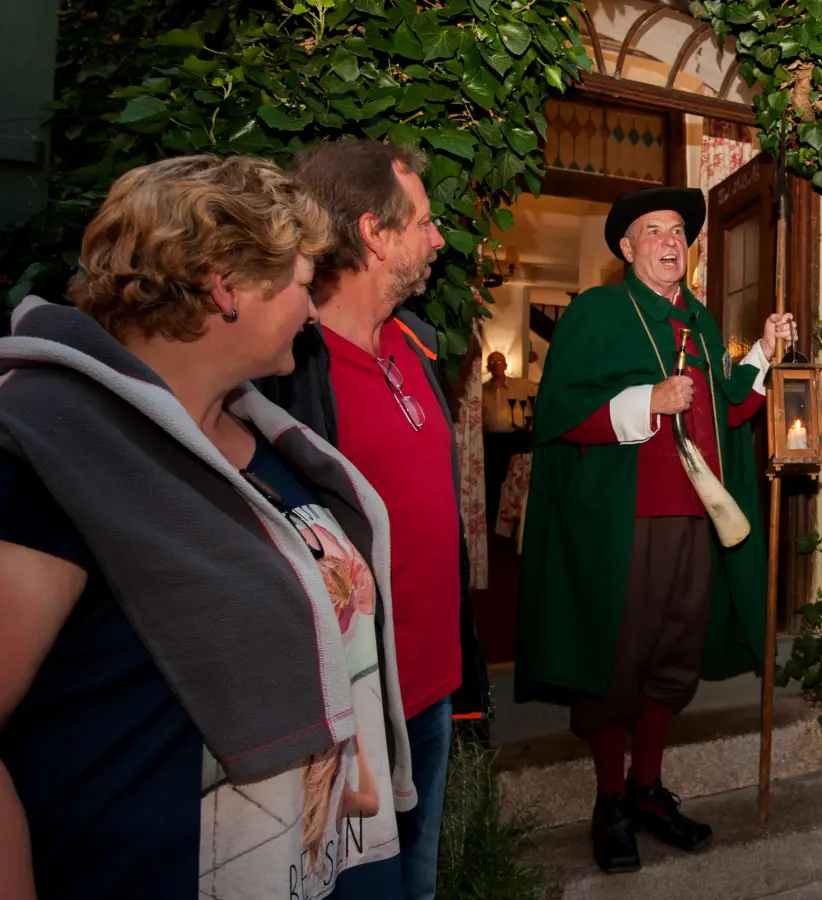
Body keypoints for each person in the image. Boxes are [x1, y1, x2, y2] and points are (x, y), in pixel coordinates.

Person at [0, 155, 412, 899]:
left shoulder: (269, 440)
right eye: (299, 280)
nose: (312, 309)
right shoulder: (49, 445)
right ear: (226, 284)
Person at [514, 186, 796, 874]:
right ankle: (609, 800)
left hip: (694, 519)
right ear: (626, 247)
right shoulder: (596, 313)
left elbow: (728, 415)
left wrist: (760, 351)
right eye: (655, 230)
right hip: (621, 523)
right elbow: (557, 416)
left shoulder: (699, 322)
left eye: (679, 231)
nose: (672, 241)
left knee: (671, 664)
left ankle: (646, 789)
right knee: (616, 662)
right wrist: (648, 400)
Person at [254, 138, 491, 900]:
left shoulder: (414, 347)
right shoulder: (290, 373)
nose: (436, 238)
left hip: (431, 690)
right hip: (349, 710)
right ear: (373, 233)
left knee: (414, 889)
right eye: (420, 221)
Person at [482, 350, 534, 521]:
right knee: (492, 480)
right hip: (491, 442)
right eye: (492, 362)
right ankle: (493, 520)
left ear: (505, 365)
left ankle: (514, 518)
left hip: (516, 440)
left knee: (516, 480)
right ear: (487, 366)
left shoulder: (521, 385)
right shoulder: (482, 391)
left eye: (499, 362)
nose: (496, 365)